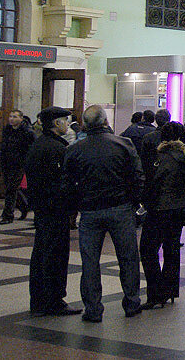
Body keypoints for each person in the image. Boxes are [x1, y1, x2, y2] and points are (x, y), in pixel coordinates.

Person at [62, 105, 144, 322]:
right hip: (120, 208)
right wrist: (134, 203)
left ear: (84, 125)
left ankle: (93, 309)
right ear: (106, 121)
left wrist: (76, 206)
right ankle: (132, 302)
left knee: (90, 262)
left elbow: (67, 184)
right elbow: (137, 177)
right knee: (128, 258)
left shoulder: (75, 149)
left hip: (89, 211)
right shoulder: (123, 144)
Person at [23, 106, 80, 317]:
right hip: (54, 211)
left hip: (43, 210)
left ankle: (39, 300)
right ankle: (53, 300)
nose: (67, 124)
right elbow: (59, 183)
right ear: (56, 123)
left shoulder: (40, 145)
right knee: (54, 256)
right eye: (65, 120)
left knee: (42, 254)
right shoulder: (55, 149)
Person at [139, 121, 185, 309]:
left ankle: (156, 293)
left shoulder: (162, 158)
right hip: (179, 209)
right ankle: (170, 289)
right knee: (171, 249)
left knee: (148, 250)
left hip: (160, 209)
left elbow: (152, 184)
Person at [0, 109, 35, 223]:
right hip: (7, 162)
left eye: (15, 116)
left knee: (11, 189)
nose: (11, 119)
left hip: (20, 163)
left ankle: (8, 215)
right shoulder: (7, 130)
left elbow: (32, 148)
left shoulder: (27, 131)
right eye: (10, 116)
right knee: (11, 188)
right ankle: (24, 206)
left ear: (21, 118)